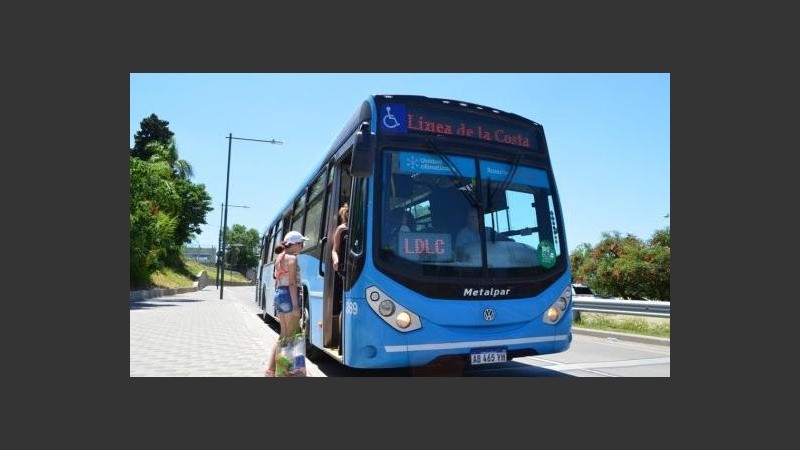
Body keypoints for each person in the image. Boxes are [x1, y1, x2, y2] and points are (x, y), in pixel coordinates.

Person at [265, 230, 309, 377]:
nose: (302, 245)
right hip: (290, 296)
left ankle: (270, 370)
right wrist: (296, 306)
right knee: (289, 338)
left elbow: (277, 279)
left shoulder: (279, 258)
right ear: (295, 244)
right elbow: (291, 283)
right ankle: (283, 373)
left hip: (280, 295)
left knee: (284, 335)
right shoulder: (292, 259)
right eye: (301, 243)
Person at [331, 203, 349, 272]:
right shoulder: (341, 228)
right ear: (346, 214)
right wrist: (336, 260)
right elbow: (334, 250)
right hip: (345, 267)